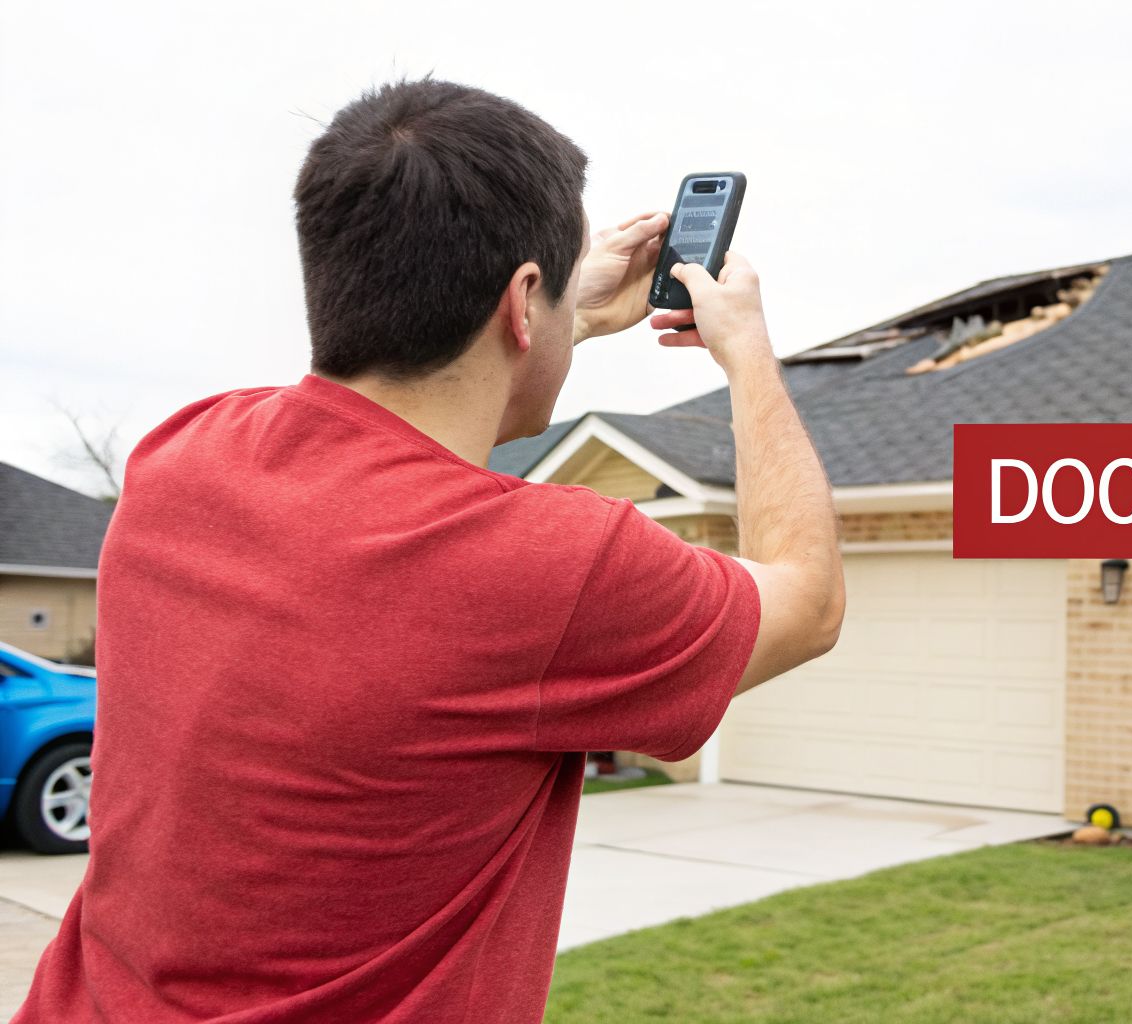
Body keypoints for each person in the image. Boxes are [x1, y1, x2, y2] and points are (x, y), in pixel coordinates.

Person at [13, 77, 844, 1023]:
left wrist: (548, 318)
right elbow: (807, 600)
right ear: (522, 302)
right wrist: (747, 356)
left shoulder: (179, 460)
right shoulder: (555, 564)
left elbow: (388, 453)